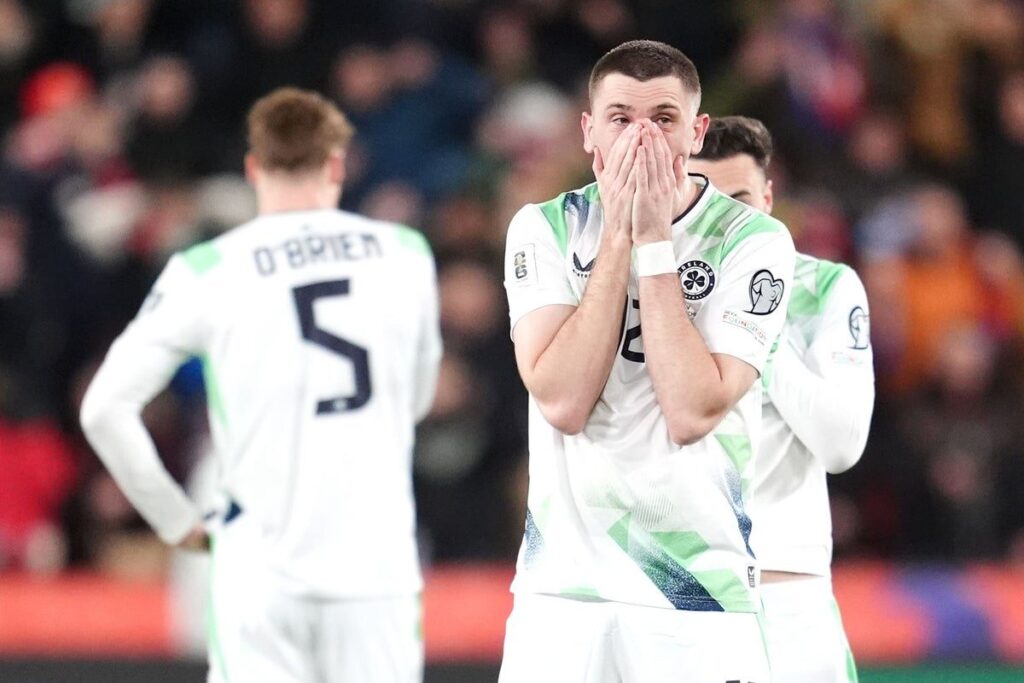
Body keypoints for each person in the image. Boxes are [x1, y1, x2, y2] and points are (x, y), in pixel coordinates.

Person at [80, 87, 442, 683]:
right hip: (373, 561)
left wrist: (176, 521)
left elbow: (103, 410)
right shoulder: (405, 253)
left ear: (253, 168)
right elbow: (418, 398)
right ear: (337, 164)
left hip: (261, 563)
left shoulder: (208, 269)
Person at [501, 41, 795, 682]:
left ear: (696, 132)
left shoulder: (753, 241)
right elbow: (562, 401)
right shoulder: (544, 228)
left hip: (699, 592)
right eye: (620, 118)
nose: (642, 137)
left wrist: (656, 238)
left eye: (662, 119)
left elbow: (692, 410)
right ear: (588, 132)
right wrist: (617, 233)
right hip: (563, 589)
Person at [691, 115, 874, 683]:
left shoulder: (821, 288)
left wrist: (755, 329)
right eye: (705, 200)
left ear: (768, 199)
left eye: (740, 199)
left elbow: (842, 446)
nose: (724, 220)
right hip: (680, 597)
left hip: (788, 596)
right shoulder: (650, 297)